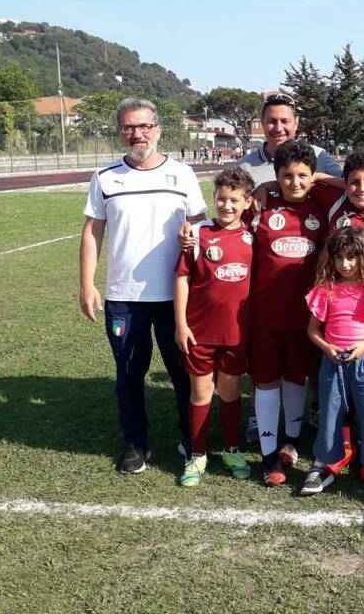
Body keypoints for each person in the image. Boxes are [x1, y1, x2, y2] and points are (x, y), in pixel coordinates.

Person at [79, 97, 207, 474]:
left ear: (158, 129)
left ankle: (191, 437)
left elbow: (201, 224)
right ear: (120, 132)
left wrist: (193, 236)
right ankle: (136, 443)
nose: (137, 133)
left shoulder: (182, 174)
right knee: (130, 375)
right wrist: (87, 284)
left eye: (144, 126)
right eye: (129, 127)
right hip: (124, 298)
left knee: (184, 372)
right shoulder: (105, 177)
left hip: (176, 296)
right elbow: (92, 231)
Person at [249, 139, 327, 486]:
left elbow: (352, 185)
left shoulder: (323, 206)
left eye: (303, 176)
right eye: (286, 176)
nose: (295, 182)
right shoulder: (262, 207)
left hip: (304, 319)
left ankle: (290, 444)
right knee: (266, 382)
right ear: (276, 176)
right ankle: (268, 456)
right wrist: (262, 188)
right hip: (264, 316)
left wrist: (320, 178)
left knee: (297, 379)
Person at [301, 227, 364, 505]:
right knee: (329, 414)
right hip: (333, 362)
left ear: (363, 258)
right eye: (340, 258)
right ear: (331, 259)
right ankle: (323, 464)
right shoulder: (324, 290)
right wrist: (327, 348)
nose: (345, 264)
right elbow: (313, 331)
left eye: (352, 258)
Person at [173, 166, 255, 487]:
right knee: (200, 392)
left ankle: (231, 449)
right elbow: (182, 278)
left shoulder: (253, 236)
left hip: (236, 333)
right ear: (214, 198)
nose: (227, 206)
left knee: (231, 391)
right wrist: (181, 324)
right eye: (222, 199)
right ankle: (197, 454)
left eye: (235, 200)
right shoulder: (197, 235)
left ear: (247, 202)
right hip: (199, 332)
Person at [238, 92, 342, 186]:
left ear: (296, 123)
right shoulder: (244, 167)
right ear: (262, 123)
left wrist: (318, 177)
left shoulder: (319, 156)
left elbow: (351, 187)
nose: (278, 129)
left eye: (285, 121)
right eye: (272, 121)